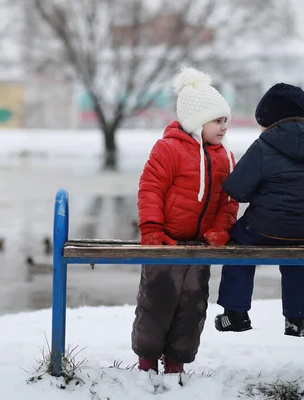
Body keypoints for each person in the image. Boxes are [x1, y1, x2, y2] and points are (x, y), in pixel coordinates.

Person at [214, 83, 304, 337]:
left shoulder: (262, 147)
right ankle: (296, 320)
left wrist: (262, 195)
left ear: (269, 120)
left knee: (238, 247)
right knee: (300, 253)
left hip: (261, 229)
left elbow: (237, 189)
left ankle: (235, 315)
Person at [132, 67, 239, 374]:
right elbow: (150, 188)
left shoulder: (225, 157)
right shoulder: (168, 149)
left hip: (199, 246)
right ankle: (147, 359)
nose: (223, 127)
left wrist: (221, 229)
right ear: (196, 120)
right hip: (165, 243)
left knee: (193, 304)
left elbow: (229, 201)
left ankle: (177, 360)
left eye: (225, 121)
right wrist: (151, 228)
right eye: (217, 120)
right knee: (157, 301)